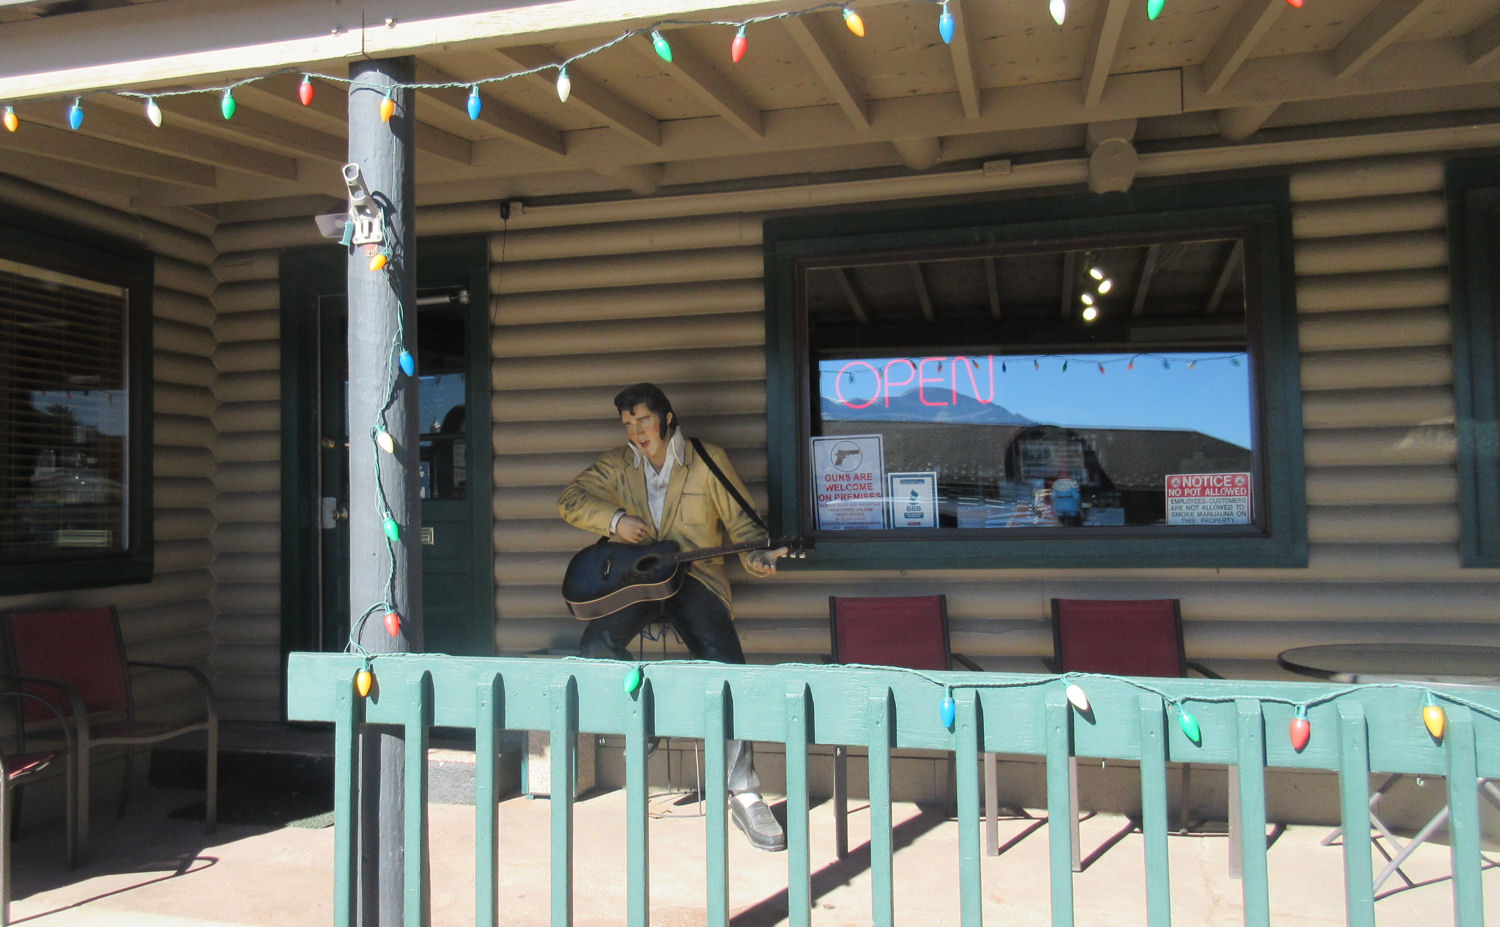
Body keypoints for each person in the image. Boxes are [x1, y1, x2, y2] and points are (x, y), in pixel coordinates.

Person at [558, 382, 789, 852]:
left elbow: (745, 526)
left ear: (665, 418)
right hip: (638, 582)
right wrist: (616, 522)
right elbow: (571, 498)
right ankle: (645, 718)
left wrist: (758, 558)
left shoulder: (707, 460)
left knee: (726, 668)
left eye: (643, 420)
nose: (636, 432)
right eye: (628, 424)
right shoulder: (620, 465)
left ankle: (744, 791)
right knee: (594, 647)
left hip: (697, 578)